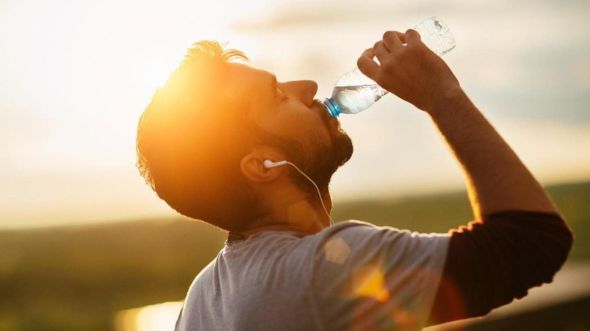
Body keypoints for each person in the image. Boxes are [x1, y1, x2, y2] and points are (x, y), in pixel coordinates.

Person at [135, 30, 573, 331]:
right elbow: (529, 244)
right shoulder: (321, 269)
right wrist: (442, 95)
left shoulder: (203, 298)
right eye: (277, 95)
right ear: (261, 165)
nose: (307, 85)